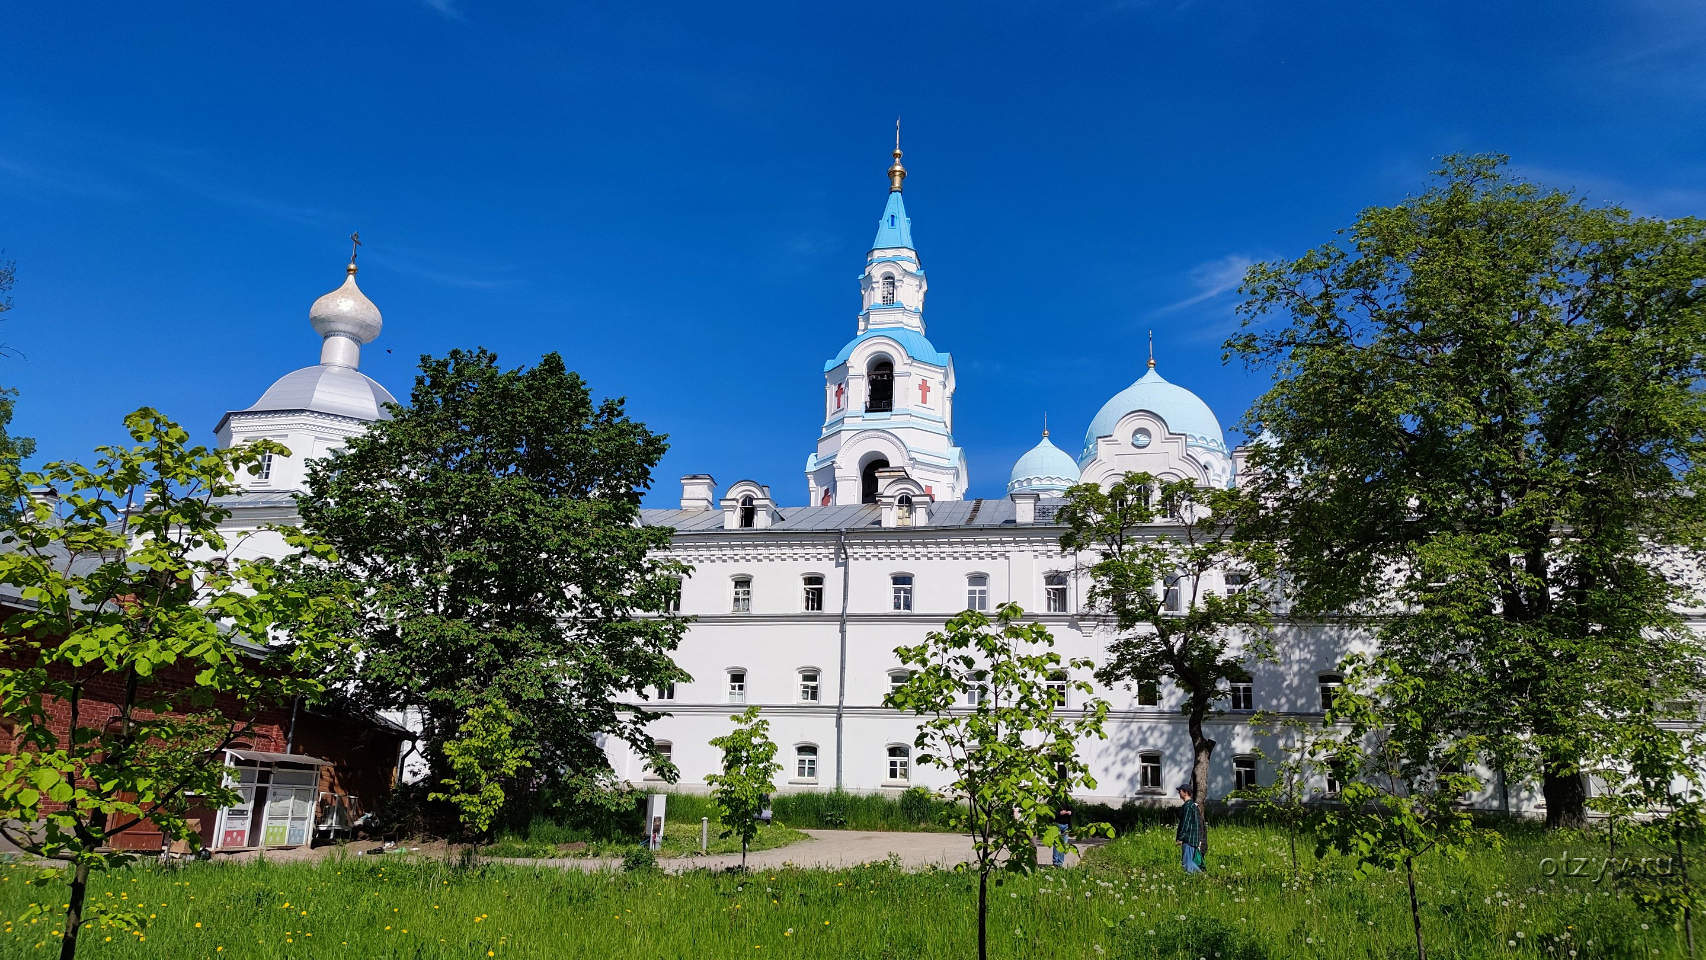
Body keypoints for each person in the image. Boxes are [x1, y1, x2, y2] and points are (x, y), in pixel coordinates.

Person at [1175, 783, 1206, 874]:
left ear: (1185, 793)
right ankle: (1201, 877)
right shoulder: (1192, 805)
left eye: (1180, 791)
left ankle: (1200, 877)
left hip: (1188, 839)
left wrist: (1180, 838)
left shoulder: (1188, 806)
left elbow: (1186, 823)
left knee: (1186, 863)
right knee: (1189, 861)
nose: (1179, 793)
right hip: (1193, 839)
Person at [1051, 794, 1074, 867]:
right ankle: (1055, 862)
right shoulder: (1054, 801)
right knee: (1057, 844)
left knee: (1064, 844)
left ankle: (1060, 863)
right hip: (1057, 825)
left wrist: (1070, 812)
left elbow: (1072, 810)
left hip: (1066, 826)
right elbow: (1051, 814)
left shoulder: (1068, 801)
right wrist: (1059, 813)